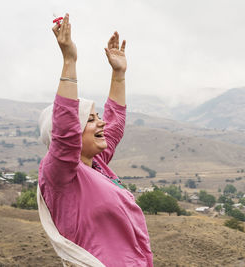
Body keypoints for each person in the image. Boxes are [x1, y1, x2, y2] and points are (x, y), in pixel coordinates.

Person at [37, 13, 153, 267]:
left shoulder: (96, 164)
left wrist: (119, 75)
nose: (100, 122)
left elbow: (115, 124)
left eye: (97, 116)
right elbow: (65, 133)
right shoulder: (60, 175)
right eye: (90, 119)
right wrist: (69, 59)